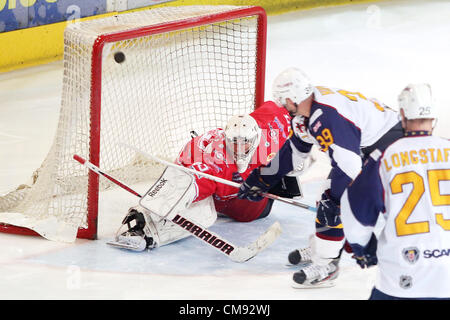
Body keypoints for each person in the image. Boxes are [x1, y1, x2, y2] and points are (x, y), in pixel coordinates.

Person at [237, 67, 404, 288]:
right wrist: (261, 179)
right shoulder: (304, 114)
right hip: (370, 144)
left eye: (282, 101)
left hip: (392, 145)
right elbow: (293, 151)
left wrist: (337, 201)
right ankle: (324, 247)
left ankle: (327, 266)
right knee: (328, 198)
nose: (281, 106)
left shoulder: (325, 117)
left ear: (291, 97)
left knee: (331, 202)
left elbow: (350, 167)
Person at [111, 100, 312, 251]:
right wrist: (151, 210)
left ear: (257, 136)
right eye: (234, 142)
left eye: (245, 143)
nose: (240, 148)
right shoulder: (214, 159)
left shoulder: (273, 130)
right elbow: (184, 183)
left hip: (256, 207)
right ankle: (144, 232)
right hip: (221, 202)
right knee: (203, 211)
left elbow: (288, 108)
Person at [340, 83, 450, 300]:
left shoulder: (384, 157)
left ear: (402, 114)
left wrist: (363, 249)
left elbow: (353, 212)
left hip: (401, 278)